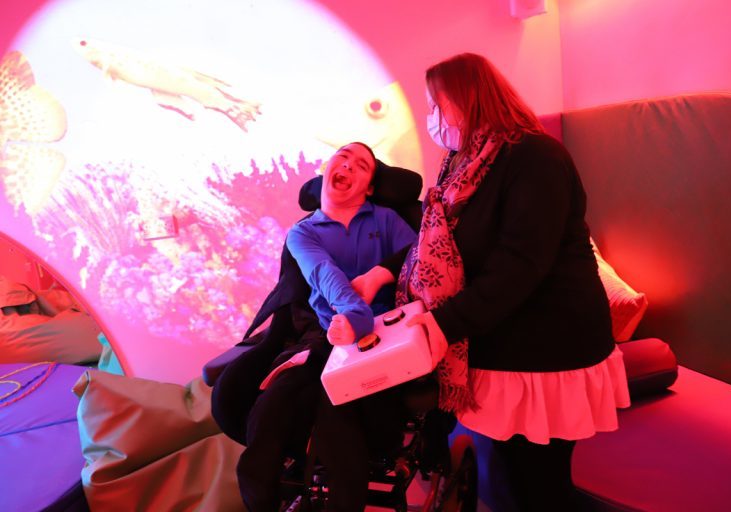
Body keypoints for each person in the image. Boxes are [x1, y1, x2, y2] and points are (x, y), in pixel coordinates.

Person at [352, 53, 631, 511]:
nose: (432, 119)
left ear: (467, 100)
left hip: (550, 348)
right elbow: (432, 238)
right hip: (503, 340)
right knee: (511, 476)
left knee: (540, 484)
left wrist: (443, 323)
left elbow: (519, 266)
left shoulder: (534, 157)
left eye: (435, 105)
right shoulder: (460, 164)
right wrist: (383, 271)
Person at [224, 142, 416, 511]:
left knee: (337, 417)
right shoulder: (303, 233)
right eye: (342, 157)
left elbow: (418, 253)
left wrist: (373, 290)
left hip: (380, 335)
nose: (347, 165)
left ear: (370, 187)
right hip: (325, 335)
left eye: (361, 165)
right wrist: (350, 316)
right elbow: (325, 277)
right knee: (270, 409)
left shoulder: (385, 220)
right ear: (327, 169)